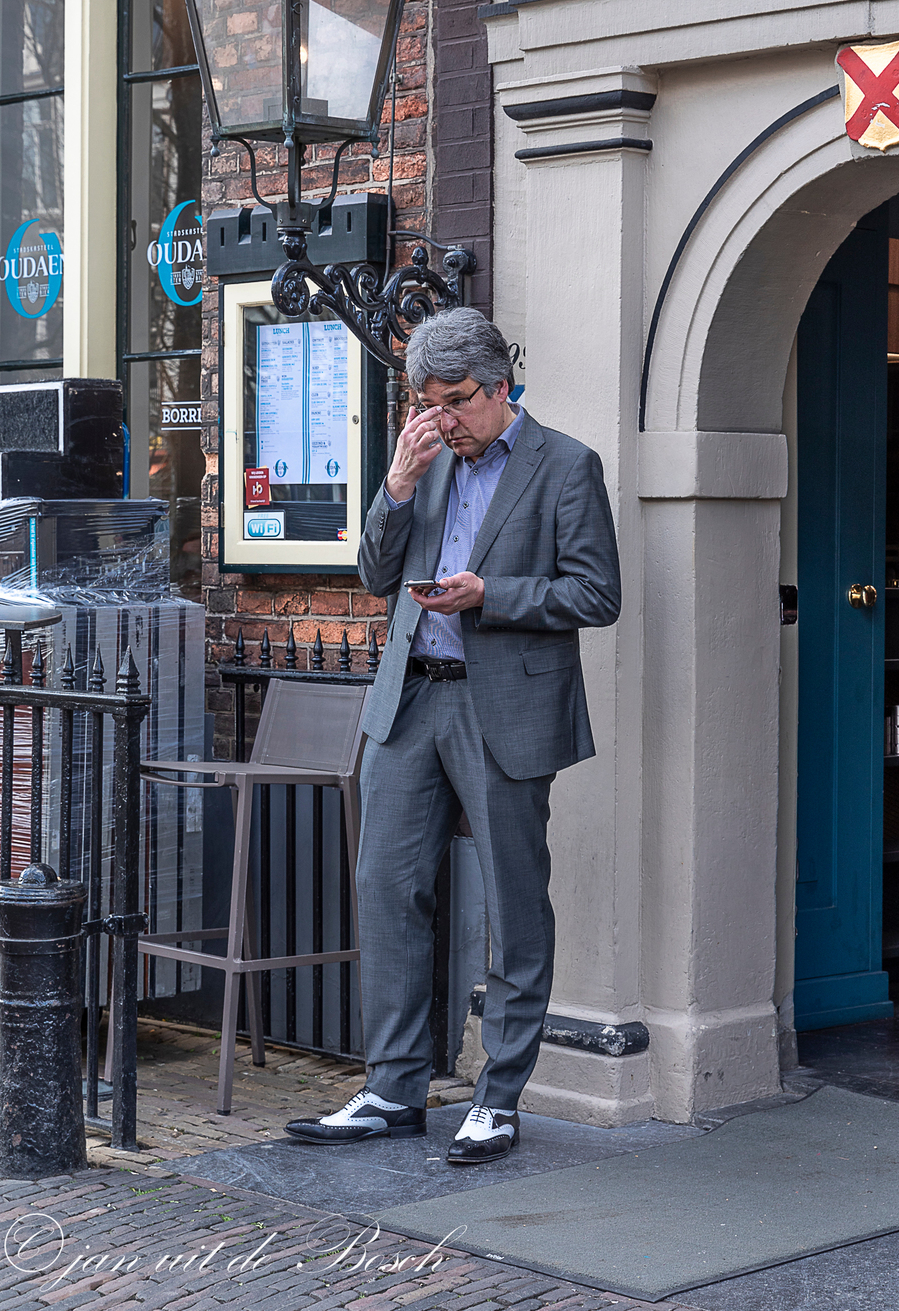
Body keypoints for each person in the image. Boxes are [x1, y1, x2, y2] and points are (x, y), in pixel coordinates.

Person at [285, 307, 621, 1163]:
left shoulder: (567, 465)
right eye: (425, 402)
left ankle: (499, 1098)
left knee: (513, 900)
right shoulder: (424, 458)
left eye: (456, 401)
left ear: (500, 386)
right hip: (410, 703)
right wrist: (395, 485)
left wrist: (492, 594)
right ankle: (392, 1089)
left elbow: (596, 594)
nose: (442, 419)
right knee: (388, 888)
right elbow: (373, 573)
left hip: (501, 704)